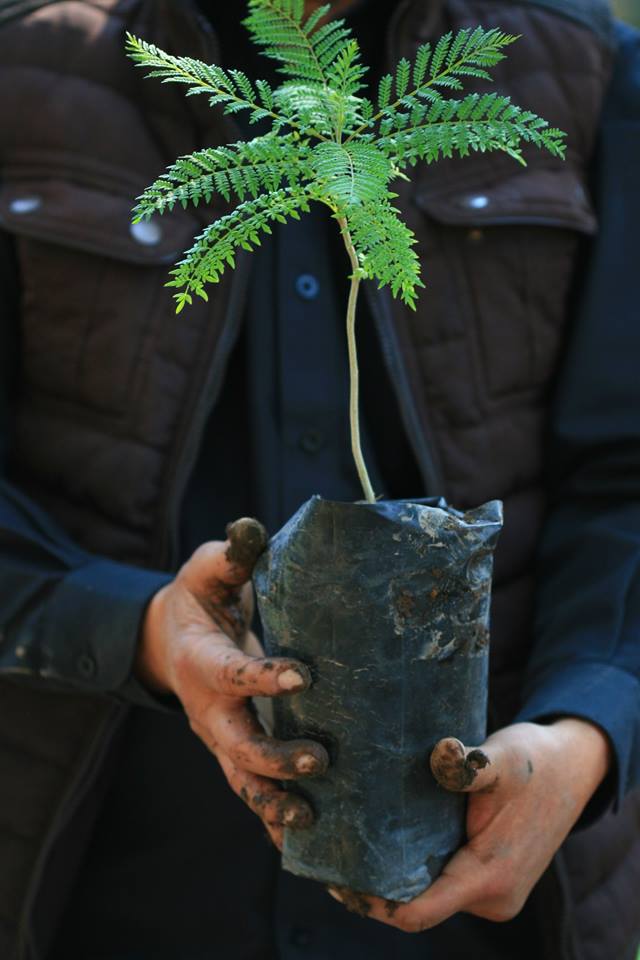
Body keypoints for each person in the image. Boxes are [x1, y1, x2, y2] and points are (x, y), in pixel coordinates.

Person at [0, 0, 638, 958]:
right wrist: (135, 632)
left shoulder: (582, 66)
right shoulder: (28, 74)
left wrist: (590, 727)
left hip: (487, 902)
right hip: (111, 892)